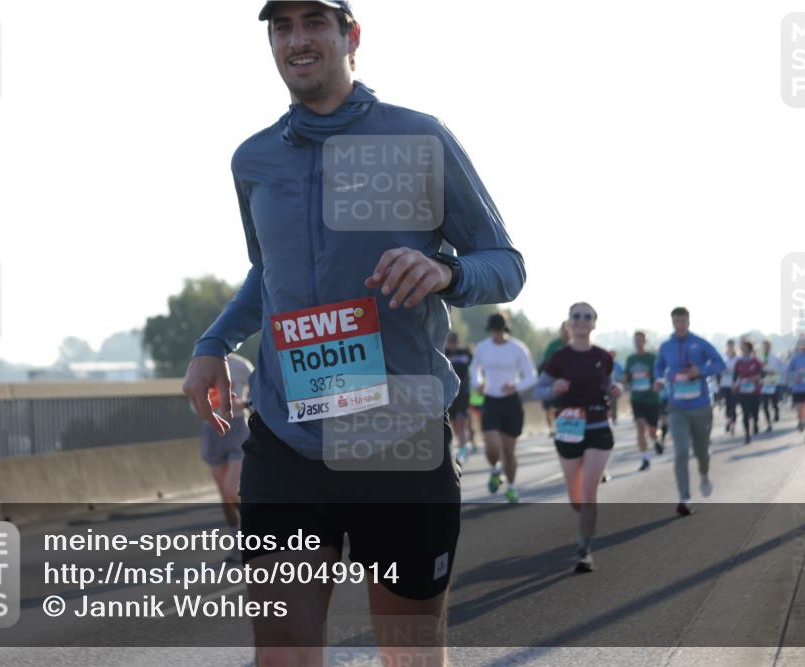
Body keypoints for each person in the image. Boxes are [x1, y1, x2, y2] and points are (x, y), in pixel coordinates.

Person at [181, 2, 526, 663]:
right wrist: (213, 343)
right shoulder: (253, 159)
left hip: (395, 438)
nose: (297, 39)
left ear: (351, 36)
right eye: (282, 27)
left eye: (315, 22)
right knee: (281, 650)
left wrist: (443, 270)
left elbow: (505, 265)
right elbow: (269, 275)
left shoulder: (418, 138)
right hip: (286, 438)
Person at [534, 302, 621, 573]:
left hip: (597, 425)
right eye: (576, 316)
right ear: (569, 323)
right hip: (569, 429)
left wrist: (617, 388)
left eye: (587, 317)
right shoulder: (559, 357)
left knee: (589, 491)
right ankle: (586, 518)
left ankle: (584, 550)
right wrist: (553, 389)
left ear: (594, 324)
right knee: (576, 497)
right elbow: (539, 390)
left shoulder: (604, 356)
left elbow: (610, 386)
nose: (581, 321)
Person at [654, 307, 726, 516]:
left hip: (701, 405)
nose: (680, 325)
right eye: (676, 321)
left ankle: (704, 474)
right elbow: (658, 367)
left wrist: (700, 371)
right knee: (681, 451)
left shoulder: (700, 343)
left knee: (702, 451)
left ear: (688, 321)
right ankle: (684, 498)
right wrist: (659, 379)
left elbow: (719, 363)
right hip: (676, 407)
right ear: (672, 322)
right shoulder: (666, 346)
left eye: (683, 321)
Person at [470, 312, 538, 503]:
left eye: (499, 331)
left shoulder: (518, 348)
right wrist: (478, 383)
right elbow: (474, 369)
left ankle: (511, 487)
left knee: (508, 450)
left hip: (511, 402)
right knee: (491, 445)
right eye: (493, 331)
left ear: (505, 329)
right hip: (491, 400)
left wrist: (515, 386)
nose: (496, 335)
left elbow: (531, 376)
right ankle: (494, 470)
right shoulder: (483, 348)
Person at [198, 353, 254, 561]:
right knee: (224, 495)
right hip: (212, 429)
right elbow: (192, 396)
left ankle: (255, 534)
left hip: (237, 427)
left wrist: (245, 404)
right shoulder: (201, 363)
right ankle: (237, 544)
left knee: (233, 488)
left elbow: (260, 392)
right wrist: (203, 405)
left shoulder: (242, 365)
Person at [624, 331, 660, 470]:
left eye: (640, 340)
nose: (638, 343)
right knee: (640, 427)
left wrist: (656, 381)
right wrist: (625, 379)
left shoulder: (652, 358)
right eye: (636, 340)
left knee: (652, 430)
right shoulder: (630, 359)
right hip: (637, 398)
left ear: (645, 341)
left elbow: (659, 375)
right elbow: (627, 376)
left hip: (651, 398)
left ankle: (656, 440)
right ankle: (645, 459)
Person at [445, 332, 474, 464]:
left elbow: (475, 367)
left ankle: (464, 446)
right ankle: (462, 443)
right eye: (450, 342)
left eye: (454, 342)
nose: (452, 344)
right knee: (453, 421)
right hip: (450, 391)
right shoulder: (443, 353)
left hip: (464, 391)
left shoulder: (465, 352)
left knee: (461, 419)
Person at [733, 340, 768, 444]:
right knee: (745, 412)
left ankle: (756, 423)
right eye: (741, 348)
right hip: (742, 391)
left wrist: (755, 377)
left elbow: (763, 374)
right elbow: (735, 376)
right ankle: (747, 434)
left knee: (755, 411)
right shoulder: (738, 362)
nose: (742, 349)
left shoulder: (755, 361)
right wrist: (734, 384)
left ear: (749, 349)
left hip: (754, 390)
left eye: (744, 347)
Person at [540, 321, 570, 436]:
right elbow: (547, 365)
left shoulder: (576, 343)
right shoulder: (553, 346)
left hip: (574, 382)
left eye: (568, 329)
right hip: (556, 382)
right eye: (563, 330)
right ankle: (559, 429)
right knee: (556, 407)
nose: (566, 332)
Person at [760, 339, 784, 423]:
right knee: (765, 404)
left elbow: (782, 368)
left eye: (767, 345)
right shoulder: (760, 357)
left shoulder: (775, 357)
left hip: (774, 382)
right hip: (764, 383)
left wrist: (775, 372)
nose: (765, 347)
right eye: (764, 346)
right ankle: (768, 421)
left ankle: (776, 412)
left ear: (770, 346)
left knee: (774, 403)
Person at [719, 339, 738, 434]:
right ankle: (728, 421)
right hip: (724, 385)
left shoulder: (737, 358)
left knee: (733, 406)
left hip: (733, 385)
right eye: (729, 345)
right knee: (727, 406)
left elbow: (739, 371)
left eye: (732, 345)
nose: (730, 347)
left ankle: (732, 425)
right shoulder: (723, 357)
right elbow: (718, 369)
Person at [609, 350, 624, 425]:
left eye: (613, 354)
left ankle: (614, 418)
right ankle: (609, 417)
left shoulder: (618, 365)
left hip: (616, 387)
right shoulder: (605, 363)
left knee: (614, 403)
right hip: (607, 387)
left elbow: (622, 375)